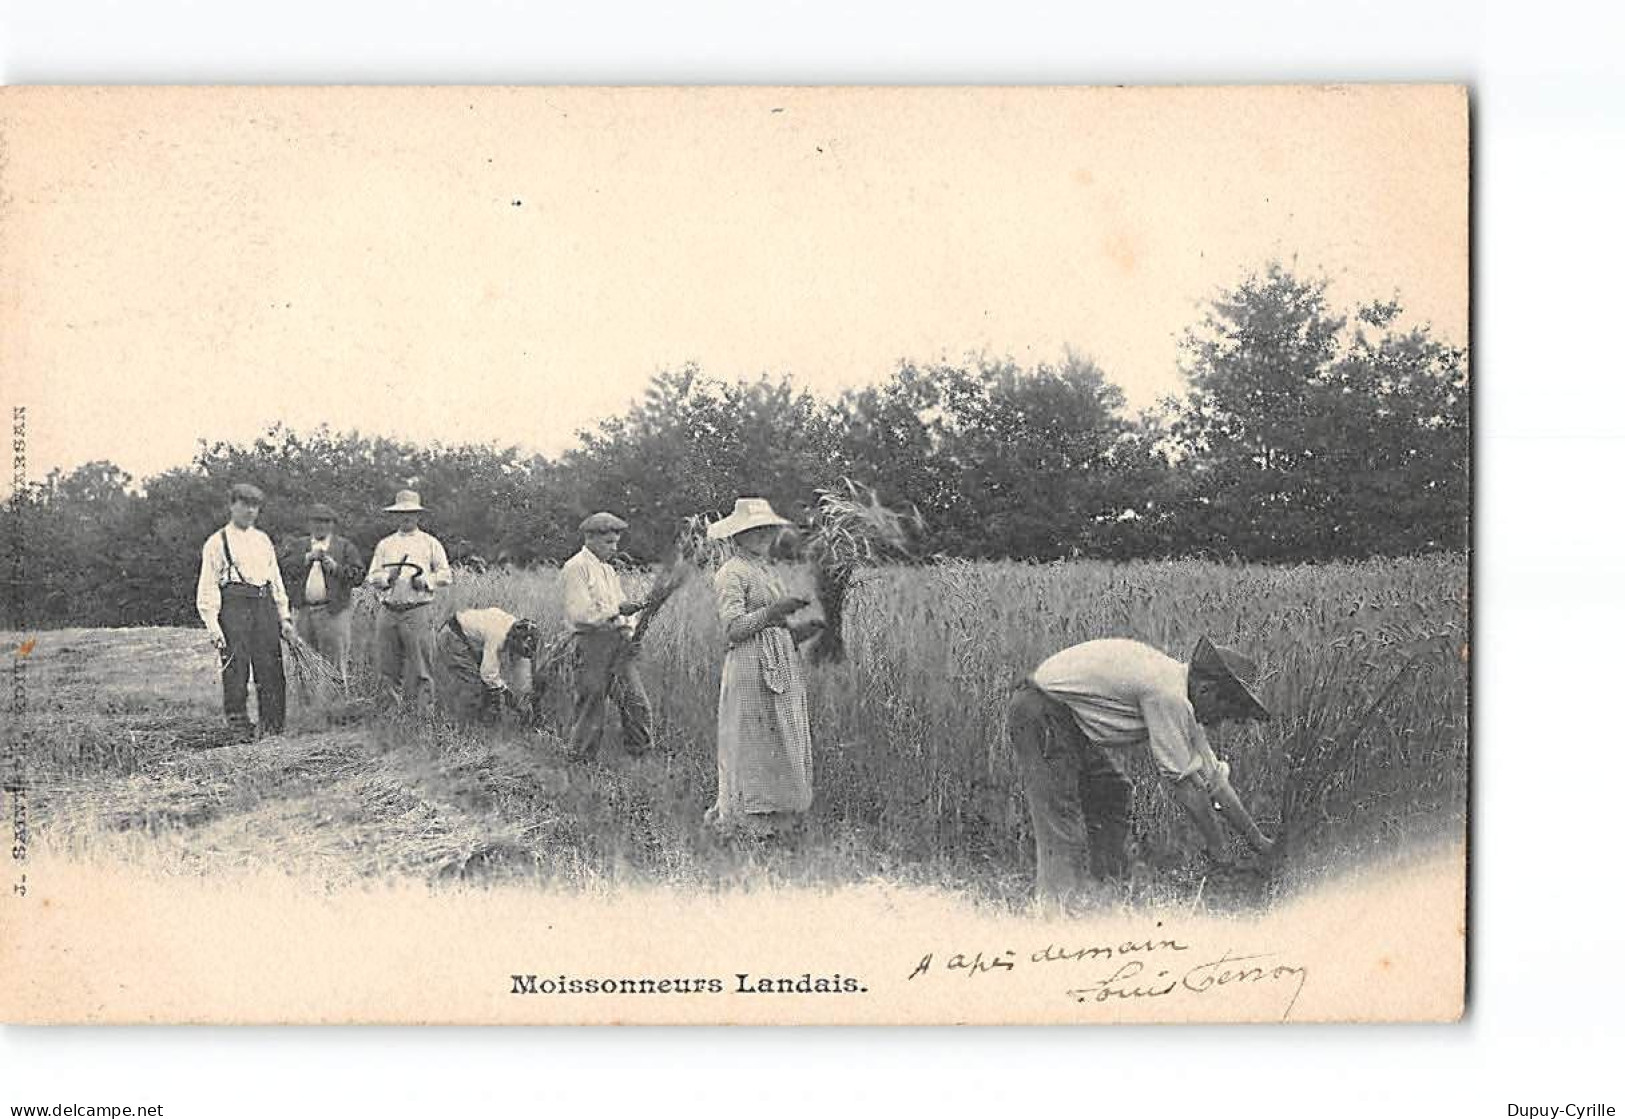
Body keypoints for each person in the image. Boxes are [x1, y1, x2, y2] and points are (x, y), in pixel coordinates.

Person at [1009, 635, 1278, 905]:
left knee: (1112, 792)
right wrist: (1220, 851)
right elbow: (1184, 785)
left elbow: (1214, 781)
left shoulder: (1180, 693)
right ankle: (1057, 914)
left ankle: (1106, 890)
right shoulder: (1169, 695)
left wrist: (1259, 841)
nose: (1221, 723)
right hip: (1040, 711)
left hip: (1065, 714)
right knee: (1061, 821)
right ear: (1207, 690)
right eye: (1226, 711)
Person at [703, 498, 825, 840]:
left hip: (779, 662)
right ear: (737, 535)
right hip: (749, 665)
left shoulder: (767, 570)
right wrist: (774, 612)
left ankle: (778, 817)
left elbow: (777, 626)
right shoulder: (731, 572)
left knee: (780, 735)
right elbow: (733, 629)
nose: (761, 537)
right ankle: (748, 820)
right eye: (753, 531)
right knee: (753, 737)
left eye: (766, 530)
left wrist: (802, 630)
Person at [195, 482, 296, 739]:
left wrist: (283, 616)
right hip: (234, 605)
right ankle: (239, 728)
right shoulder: (217, 542)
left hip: (263, 605)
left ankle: (273, 728)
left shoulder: (263, 540)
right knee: (236, 667)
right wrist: (213, 625)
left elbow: (276, 579)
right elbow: (208, 585)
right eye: (245, 505)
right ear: (232, 506)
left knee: (271, 668)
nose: (250, 512)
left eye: (255, 507)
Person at [559, 512, 653, 758]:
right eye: (608, 542)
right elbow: (580, 614)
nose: (614, 547)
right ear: (589, 538)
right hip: (591, 644)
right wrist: (617, 610)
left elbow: (621, 606)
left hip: (617, 642)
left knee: (636, 702)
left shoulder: (608, 571)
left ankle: (640, 755)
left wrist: (629, 629)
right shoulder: (576, 567)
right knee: (592, 704)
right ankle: (581, 759)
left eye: (616, 541)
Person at [365, 489, 452, 711]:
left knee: (422, 666)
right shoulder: (385, 545)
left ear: (418, 515)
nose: (406, 517)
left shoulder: (429, 543)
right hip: (389, 610)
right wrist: (387, 578)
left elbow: (446, 574)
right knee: (387, 667)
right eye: (402, 513)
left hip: (417, 610)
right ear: (394, 516)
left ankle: (425, 716)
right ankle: (390, 715)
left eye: (411, 513)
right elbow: (372, 576)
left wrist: (425, 581)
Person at [280, 502, 366, 685]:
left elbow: (358, 576)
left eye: (326, 521)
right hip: (302, 611)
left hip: (333, 612)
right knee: (303, 662)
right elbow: (283, 568)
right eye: (316, 521)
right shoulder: (298, 545)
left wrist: (337, 568)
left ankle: (334, 709)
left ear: (332, 524)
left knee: (334, 663)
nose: (321, 525)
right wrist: (306, 558)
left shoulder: (344, 546)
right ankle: (308, 710)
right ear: (309, 524)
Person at [436, 607, 541, 724]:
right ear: (514, 639)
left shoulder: (516, 631)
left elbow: (520, 672)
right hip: (452, 637)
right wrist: (510, 697)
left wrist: (527, 699)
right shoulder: (498, 635)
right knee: (473, 685)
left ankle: (484, 724)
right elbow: (488, 674)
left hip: (469, 640)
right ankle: (463, 728)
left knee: (488, 689)